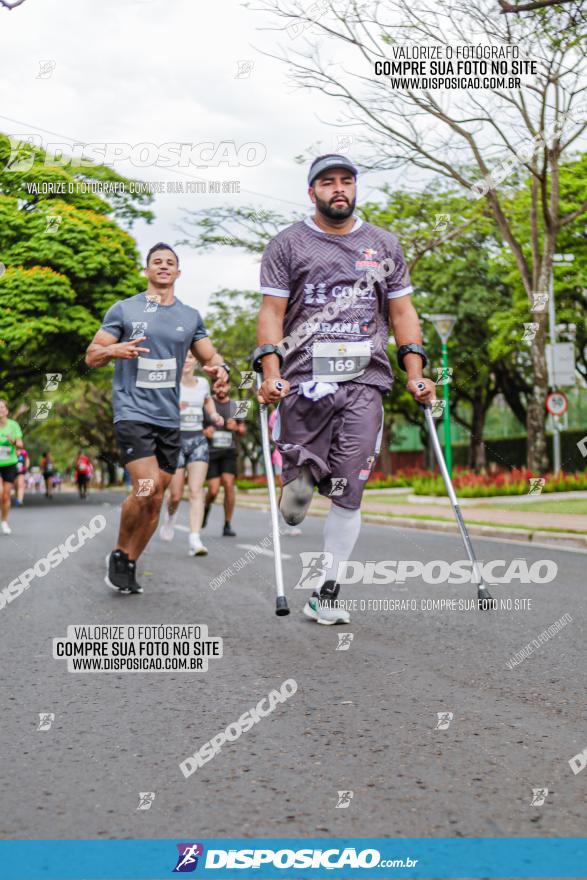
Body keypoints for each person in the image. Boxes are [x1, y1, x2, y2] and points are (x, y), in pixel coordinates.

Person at [254, 153, 435, 625]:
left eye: (347, 181)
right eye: (328, 182)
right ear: (311, 191)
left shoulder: (384, 245)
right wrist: (270, 369)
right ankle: (301, 479)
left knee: (350, 489)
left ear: (355, 188)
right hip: (304, 381)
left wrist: (415, 371)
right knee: (296, 502)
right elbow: (272, 312)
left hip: (365, 380)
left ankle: (327, 590)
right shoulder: (287, 244)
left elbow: (402, 314)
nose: (339, 189)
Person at [85, 242, 230, 594]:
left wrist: (221, 373)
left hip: (169, 419)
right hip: (132, 412)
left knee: (156, 498)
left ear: (178, 273)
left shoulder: (189, 316)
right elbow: (91, 356)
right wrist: (113, 350)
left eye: (170, 263)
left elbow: (211, 356)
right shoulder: (125, 309)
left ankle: (131, 560)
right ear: (147, 270)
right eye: (156, 262)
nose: (163, 266)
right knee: (145, 486)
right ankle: (120, 552)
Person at [159, 352, 224, 556]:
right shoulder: (171, 383)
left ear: (196, 360)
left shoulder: (204, 383)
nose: (186, 360)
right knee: (176, 495)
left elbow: (207, 400)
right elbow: (158, 407)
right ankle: (170, 518)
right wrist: (174, 408)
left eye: (190, 356)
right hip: (175, 441)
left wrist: (213, 414)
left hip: (197, 440)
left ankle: (195, 539)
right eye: (183, 356)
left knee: (197, 491)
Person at [202, 389, 246, 537]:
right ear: (214, 386)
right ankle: (206, 505)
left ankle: (227, 524)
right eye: (217, 386)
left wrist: (237, 428)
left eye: (224, 385)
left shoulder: (238, 405)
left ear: (228, 386)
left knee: (228, 484)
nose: (221, 389)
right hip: (211, 452)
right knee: (213, 490)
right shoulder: (206, 404)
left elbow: (242, 430)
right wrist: (205, 431)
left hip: (229, 451)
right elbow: (195, 427)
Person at [268, 407, 301, 537]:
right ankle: (277, 517)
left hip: (294, 457)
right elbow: (270, 431)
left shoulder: (298, 411)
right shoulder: (275, 414)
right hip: (279, 457)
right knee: (285, 489)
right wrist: (276, 441)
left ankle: (290, 522)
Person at [0, 399, 24, 534]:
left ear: (6, 410)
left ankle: (4, 521)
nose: (0, 409)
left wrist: (13, 441)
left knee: (6, 496)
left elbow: (21, 444)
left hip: (10, 464)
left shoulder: (13, 425)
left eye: (2, 407)